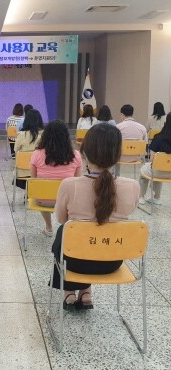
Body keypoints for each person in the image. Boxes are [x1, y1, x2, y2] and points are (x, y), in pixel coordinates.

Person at [51, 123, 139, 310]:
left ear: (85, 151)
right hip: (112, 262)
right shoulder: (132, 186)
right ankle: (86, 293)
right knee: (85, 237)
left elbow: (61, 219)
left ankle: (69, 293)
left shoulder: (69, 185)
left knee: (64, 234)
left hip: (75, 262)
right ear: (117, 154)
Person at [30, 120, 82, 236]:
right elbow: (76, 181)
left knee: (41, 191)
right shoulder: (76, 155)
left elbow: (34, 180)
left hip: (43, 200)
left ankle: (48, 227)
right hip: (67, 202)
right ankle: (66, 228)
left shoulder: (37, 154)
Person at [139, 112, 171, 205]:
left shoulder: (158, 138)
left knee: (144, 170)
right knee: (159, 168)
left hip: (158, 171)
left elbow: (152, 160)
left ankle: (141, 197)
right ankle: (156, 197)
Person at [13, 109, 44, 189]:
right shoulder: (45, 135)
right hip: (40, 172)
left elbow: (16, 151)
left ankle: (29, 195)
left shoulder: (21, 135)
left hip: (22, 172)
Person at [115, 104, 147, 175]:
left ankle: (116, 177)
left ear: (122, 114)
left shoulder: (117, 127)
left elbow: (113, 143)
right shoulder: (142, 127)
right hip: (137, 157)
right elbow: (145, 143)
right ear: (132, 114)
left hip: (120, 157)